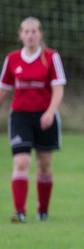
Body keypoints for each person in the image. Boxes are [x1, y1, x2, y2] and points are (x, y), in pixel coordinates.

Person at [0, 17, 66, 223]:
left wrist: (50, 112)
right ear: (20, 35)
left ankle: (43, 210)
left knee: (44, 165)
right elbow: (4, 89)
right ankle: (20, 212)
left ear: (40, 34)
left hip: (45, 116)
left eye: (34, 31)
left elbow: (58, 88)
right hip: (20, 116)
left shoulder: (51, 57)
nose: (30, 35)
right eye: (26, 31)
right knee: (21, 162)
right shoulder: (12, 59)